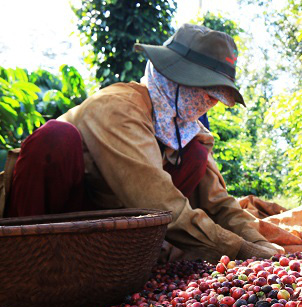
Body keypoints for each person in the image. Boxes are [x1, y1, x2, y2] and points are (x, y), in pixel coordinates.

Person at [0, 24, 281, 262]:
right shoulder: (118, 107)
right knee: (57, 138)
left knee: (196, 154)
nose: (212, 103)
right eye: (208, 91)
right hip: (52, 219)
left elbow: (218, 201)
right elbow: (155, 199)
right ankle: (24, 261)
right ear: (174, 78)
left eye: (217, 97)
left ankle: (123, 259)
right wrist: (236, 249)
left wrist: (258, 243)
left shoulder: (185, 130)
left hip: (106, 234)